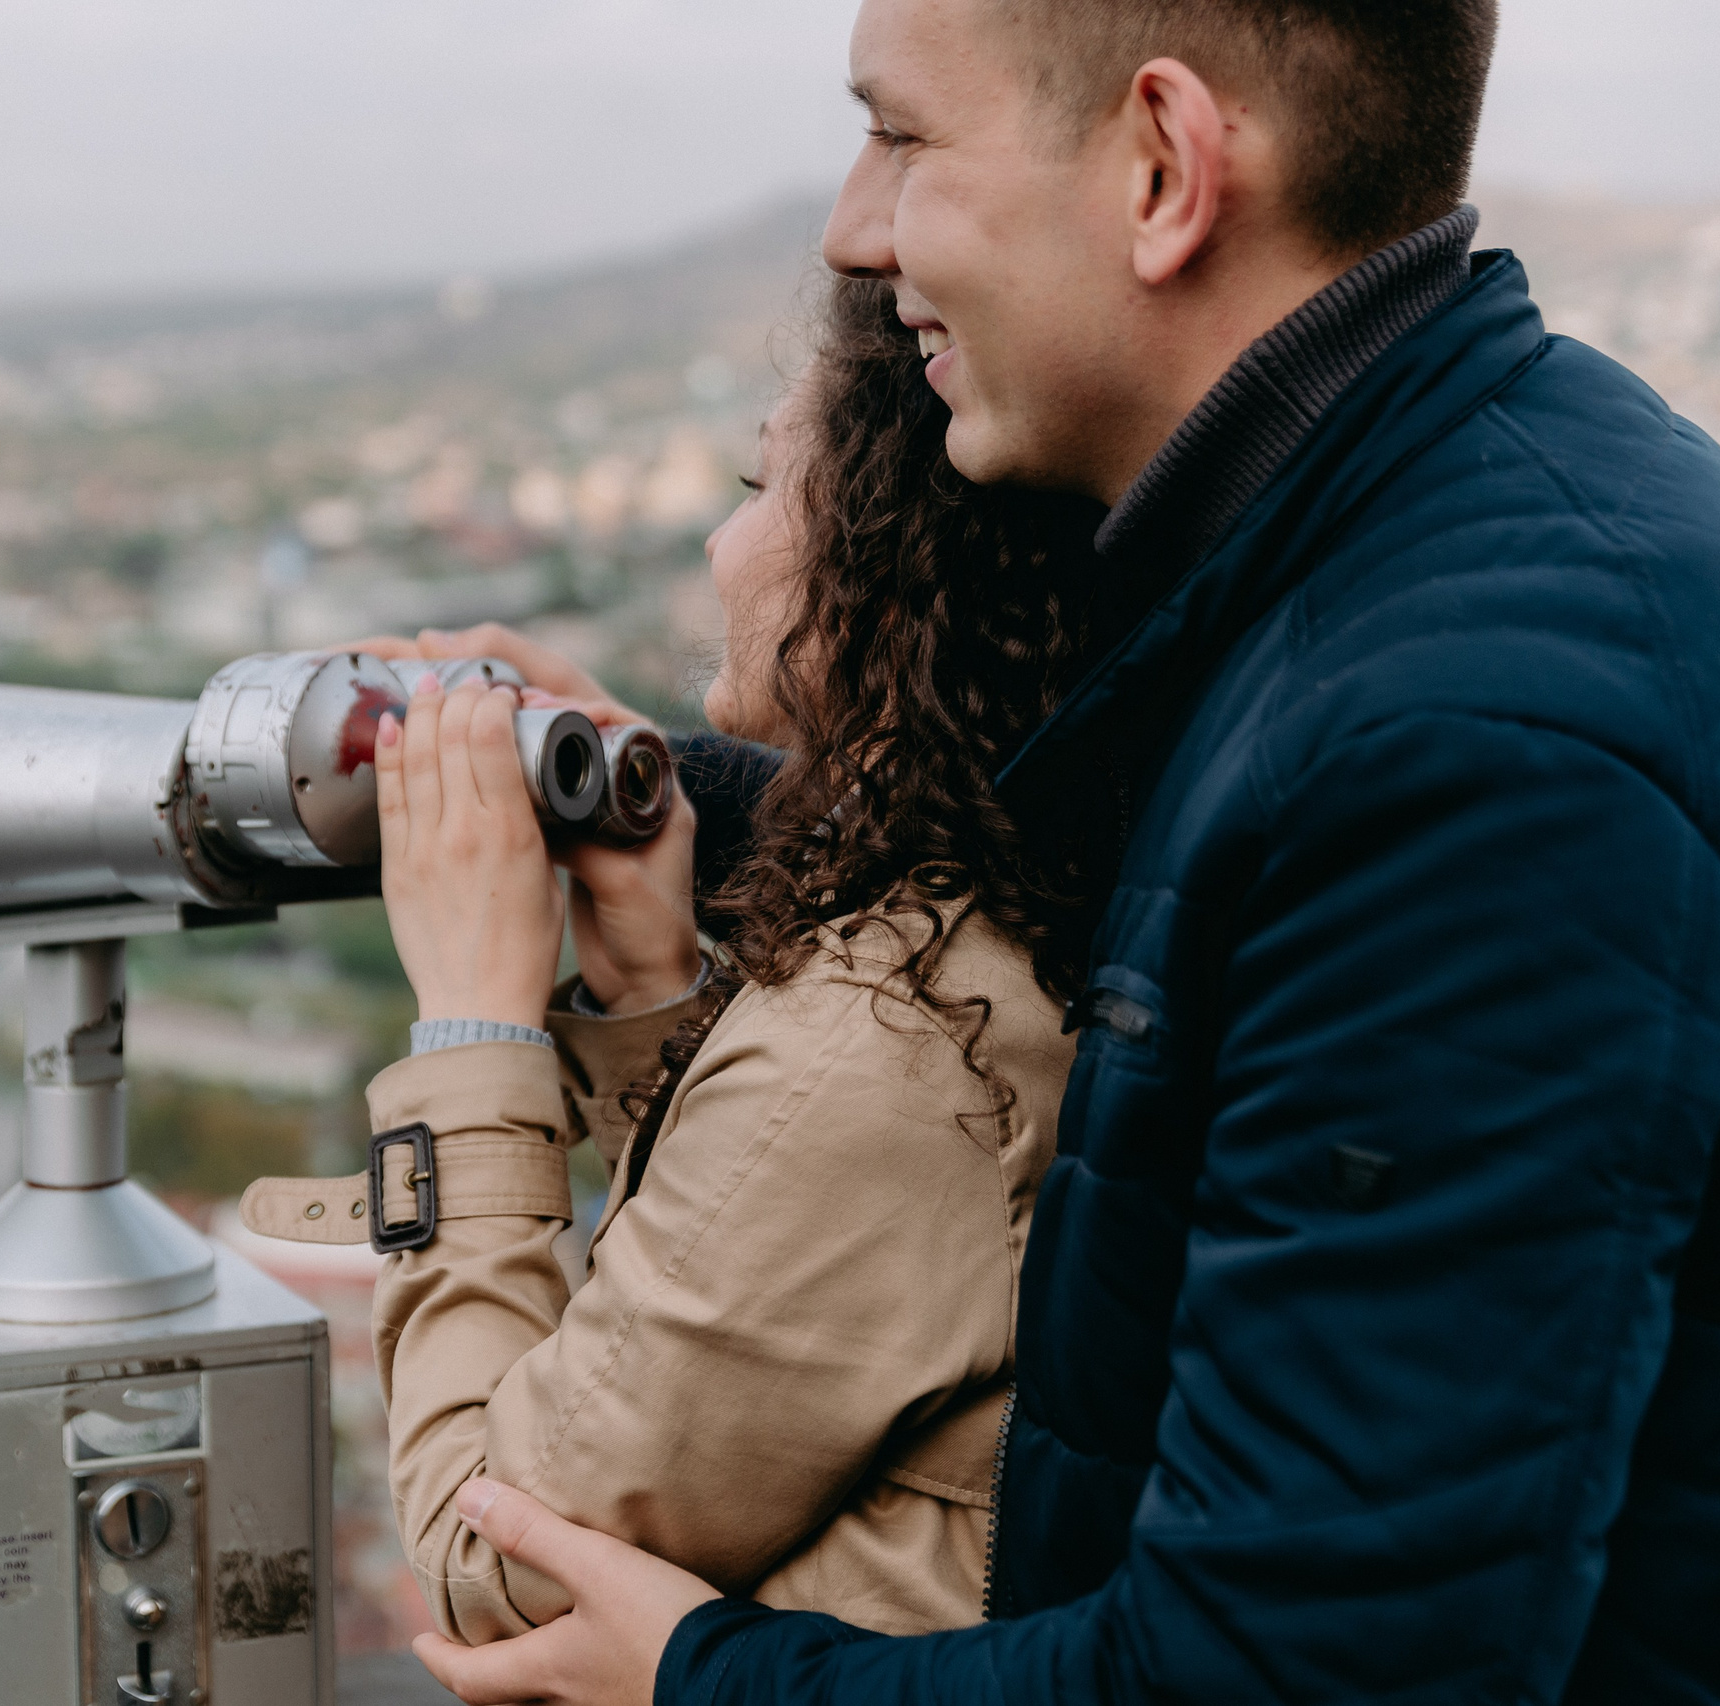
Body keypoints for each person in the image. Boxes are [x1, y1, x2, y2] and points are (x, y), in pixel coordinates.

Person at [398, 1, 1720, 1703]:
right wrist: (667, 794)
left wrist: (702, 1675)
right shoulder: (1432, 527)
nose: (850, 225)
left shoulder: (1469, 754)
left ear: (1165, 168)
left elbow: (1306, 1672)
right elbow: (1115, 846)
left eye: (900, 137)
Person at [238, 281, 1117, 1641]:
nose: (721, 539)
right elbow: (766, 1315)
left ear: (882, 557)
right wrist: (654, 991)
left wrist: (473, 1025)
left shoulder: (894, 1037)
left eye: (763, 484)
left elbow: (493, 1554)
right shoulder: (1005, 919)